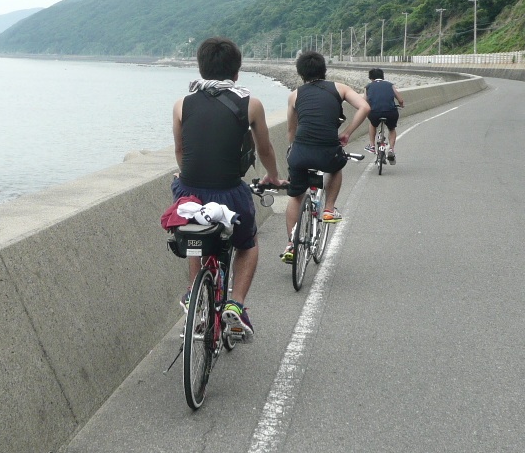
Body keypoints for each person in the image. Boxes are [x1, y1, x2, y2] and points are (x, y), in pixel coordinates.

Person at [173, 37, 283, 342]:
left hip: (189, 194)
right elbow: (265, 149)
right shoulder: (251, 104)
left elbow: (181, 151)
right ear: (237, 72)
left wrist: (187, 177)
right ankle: (236, 304)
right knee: (247, 243)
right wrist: (273, 177)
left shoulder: (182, 104)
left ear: (200, 68)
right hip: (229, 193)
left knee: (195, 233)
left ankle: (194, 295)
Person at [281, 51, 370, 263]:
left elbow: (291, 130)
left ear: (300, 73)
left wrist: (293, 149)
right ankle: (329, 209)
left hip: (300, 151)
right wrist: (347, 132)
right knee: (336, 167)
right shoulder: (340, 88)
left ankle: (291, 245)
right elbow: (365, 107)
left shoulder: (294, 95)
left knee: (295, 196)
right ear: (324, 70)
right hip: (327, 150)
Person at [364, 68, 405, 163]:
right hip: (390, 112)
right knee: (392, 129)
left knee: (372, 124)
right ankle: (391, 149)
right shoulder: (390, 85)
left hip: (374, 113)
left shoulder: (368, 87)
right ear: (382, 76)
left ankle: (372, 146)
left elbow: (364, 101)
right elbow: (400, 100)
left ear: (371, 78)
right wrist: (401, 105)